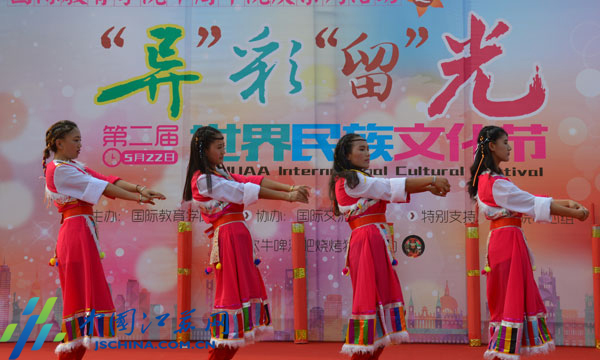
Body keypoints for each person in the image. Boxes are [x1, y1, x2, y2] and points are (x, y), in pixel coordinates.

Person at [182, 126, 310, 360]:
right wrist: (288, 196)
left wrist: (290, 188)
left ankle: (225, 347)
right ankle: (220, 350)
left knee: (241, 295)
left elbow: (251, 180)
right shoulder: (203, 180)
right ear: (204, 150)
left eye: (224, 146)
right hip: (228, 237)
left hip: (238, 235)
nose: (223, 151)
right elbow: (242, 190)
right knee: (230, 294)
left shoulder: (220, 173)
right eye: (219, 147)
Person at [43, 120, 166, 360]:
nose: (80, 145)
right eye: (75, 140)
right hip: (75, 235)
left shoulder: (72, 166)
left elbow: (106, 179)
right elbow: (101, 187)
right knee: (79, 298)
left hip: (82, 232)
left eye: (80, 140)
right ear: (59, 143)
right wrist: (138, 199)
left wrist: (140, 189)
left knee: (85, 298)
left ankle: (74, 352)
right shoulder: (59, 169)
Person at [467, 125, 589, 360]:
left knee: (508, 297)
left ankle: (504, 350)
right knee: (508, 298)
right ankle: (501, 351)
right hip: (507, 243)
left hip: (507, 240)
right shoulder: (494, 182)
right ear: (492, 146)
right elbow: (531, 204)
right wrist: (573, 213)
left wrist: (567, 203)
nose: (509, 147)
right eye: (505, 142)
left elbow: (528, 201)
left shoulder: (492, 180)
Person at [328, 133, 451, 359]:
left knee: (381, 301)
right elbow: (388, 186)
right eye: (361, 149)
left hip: (375, 241)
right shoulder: (351, 180)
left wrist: (427, 186)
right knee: (370, 300)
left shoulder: (360, 179)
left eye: (367, 149)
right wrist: (432, 180)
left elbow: (389, 189)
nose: (367, 153)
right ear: (347, 155)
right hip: (367, 241)